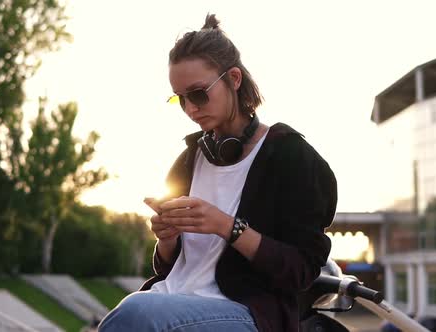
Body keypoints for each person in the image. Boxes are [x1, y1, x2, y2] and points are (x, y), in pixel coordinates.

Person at [98, 14, 337, 332]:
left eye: (198, 94)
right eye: (180, 99)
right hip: (171, 301)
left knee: (136, 312)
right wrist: (167, 240)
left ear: (234, 79)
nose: (190, 109)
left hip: (246, 312)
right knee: (136, 311)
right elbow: (172, 267)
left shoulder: (291, 157)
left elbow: (301, 271)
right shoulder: (188, 160)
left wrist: (228, 227)